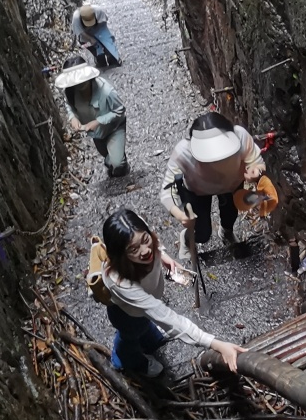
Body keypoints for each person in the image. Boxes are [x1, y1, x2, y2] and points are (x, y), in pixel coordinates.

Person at [101, 208, 244, 377]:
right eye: (133, 250)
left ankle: (150, 340)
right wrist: (215, 344)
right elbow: (166, 317)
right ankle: (127, 360)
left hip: (147, 304)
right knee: (129, 336)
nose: (146, 250)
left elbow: (153, 241)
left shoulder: (137, 228)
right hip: (127, 314)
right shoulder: (119, 282)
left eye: (145, 240)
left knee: (146, 328)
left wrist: (163, 257)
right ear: (120, 255)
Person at [159, 112, 266, 260]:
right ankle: (188, 238)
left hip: (232, 186)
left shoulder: (240, 136)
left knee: (230, 215)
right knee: (202, 233)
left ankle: (226, 232)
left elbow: (255, 160)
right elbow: (167, 190)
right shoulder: (183, 152)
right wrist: (180, 214)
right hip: (197, 190)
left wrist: (256, 171)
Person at [55, 55, 129, 177]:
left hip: (114, 128)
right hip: (96, 133)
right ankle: (113, 156)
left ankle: (121, 162)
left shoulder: (106, 91)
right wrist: (72, 117)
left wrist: (98, 121)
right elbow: (69, 106)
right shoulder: (70, 92)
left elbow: (120, 110)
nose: (79, 86)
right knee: (107, 158)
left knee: (117, 165)